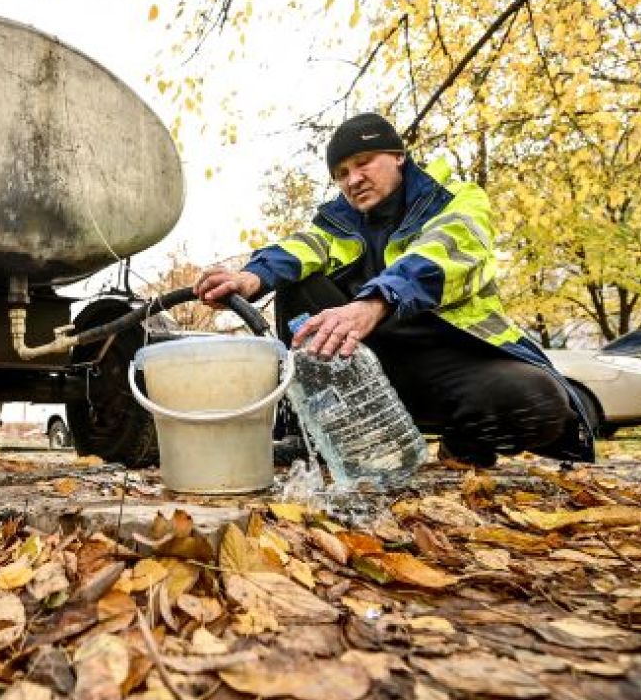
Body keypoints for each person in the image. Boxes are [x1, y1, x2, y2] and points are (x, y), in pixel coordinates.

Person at [194, 112, 593, 467]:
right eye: (342, 173)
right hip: (371, 361)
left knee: (538, 403)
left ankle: (465, 446)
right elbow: (304, 247)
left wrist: (374, 302)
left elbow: (446, 252)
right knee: (298, 281)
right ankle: (311, 435)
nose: (354, 179)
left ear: (398, 156)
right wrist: (250, 278)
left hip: (453, 360)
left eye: (363, 163)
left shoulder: (456, 200)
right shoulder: (338, 222)